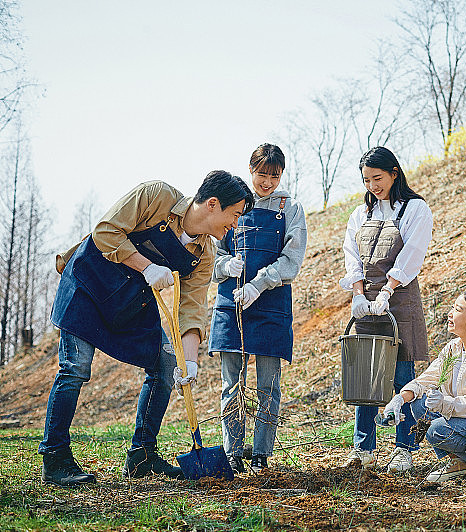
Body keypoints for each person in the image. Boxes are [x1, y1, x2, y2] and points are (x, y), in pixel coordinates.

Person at [40, 172, 254, 487]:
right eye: (234, 215)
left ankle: (142, 456)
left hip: (131, 302)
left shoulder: (205, 254)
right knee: (75, 367)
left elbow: (191, 308)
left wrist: (189, 361)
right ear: (212, 204)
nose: (235, 225)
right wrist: (147, 266)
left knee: (165, 364)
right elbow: (106, 232)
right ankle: (55, 457)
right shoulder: (156, 197)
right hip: (88, 285)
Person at [209, 143, 307, 475]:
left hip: (271, 306)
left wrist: (259, 283)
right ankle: (232, 453)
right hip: (231, 306)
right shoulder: (233, 205)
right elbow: (211, 257)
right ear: (251, 170)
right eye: (262, 174)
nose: (267, 182)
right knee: (231, 384)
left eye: (274, 176)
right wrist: (225, 266)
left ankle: (261, 454)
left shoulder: (290, 208)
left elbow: (292, 261)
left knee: (268, 385)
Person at [340, 146, 434, 473]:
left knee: (402, 377)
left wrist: (387, 290)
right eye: (366, 180)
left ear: (395, 173)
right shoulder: (361, 214)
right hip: (366, 304)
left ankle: (404, 450)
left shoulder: (415, 209)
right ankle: (363, 449)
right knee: (365, 377)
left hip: (399, 300)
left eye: (377, 178)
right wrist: (358, 294)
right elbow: (351, 254)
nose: (372, 186)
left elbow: (412, 254)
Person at [381, 290, 466, 482]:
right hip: (462, 419)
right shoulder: (453, 348)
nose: (450, 314)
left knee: (435, 430)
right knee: (418, 404)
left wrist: (443, 403)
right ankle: (458, 460)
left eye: (457, 310)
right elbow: (427, 379)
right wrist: (399, 399)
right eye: (452, 307)